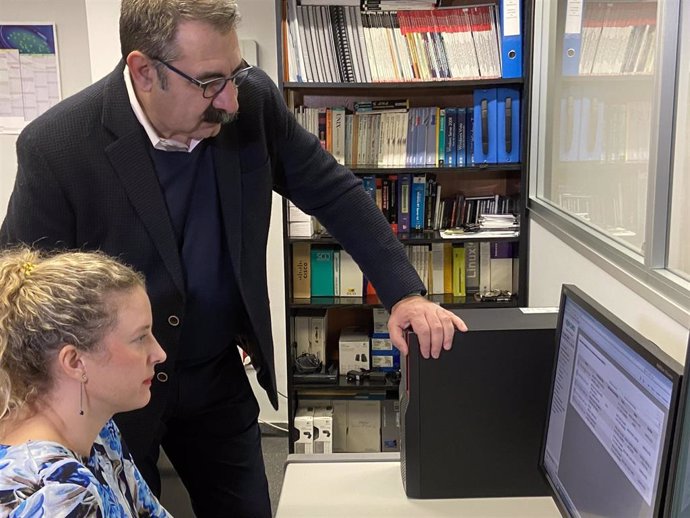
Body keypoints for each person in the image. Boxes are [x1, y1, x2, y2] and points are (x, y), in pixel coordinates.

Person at [0, 0, 468, 515]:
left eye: (235, 73)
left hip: (216, 374)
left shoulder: (252, 101)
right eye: (208, 82)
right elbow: (22, 297)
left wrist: (404, 291)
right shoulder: (59, 145)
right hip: (111, 397)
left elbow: (333, 192)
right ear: (144, 71)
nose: (230, 100)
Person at [0, 247, 170, 517]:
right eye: (140, 338)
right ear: (75, 362)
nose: (159, 354)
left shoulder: (99, 431)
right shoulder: (61, 495)